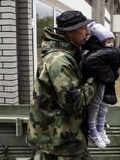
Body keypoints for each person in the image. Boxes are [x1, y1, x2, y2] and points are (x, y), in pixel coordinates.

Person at [27, 10, 97, 160]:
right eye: (83, 28)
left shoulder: (66, 55)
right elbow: (74, 102)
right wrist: (94, 79)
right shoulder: (59, 61)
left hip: (64, 136)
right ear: (70, 32)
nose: (87, 32)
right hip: (60, 142)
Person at [81, 23, 120, 149]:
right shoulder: (92, 53)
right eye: (107, 41)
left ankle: (99, 129)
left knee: (104, 105)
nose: (111, 44)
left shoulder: (104, 52)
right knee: (95, 105)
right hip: (95, 83)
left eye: (112, 41)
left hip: (103, 84)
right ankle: (93, 131)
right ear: (99, 41)